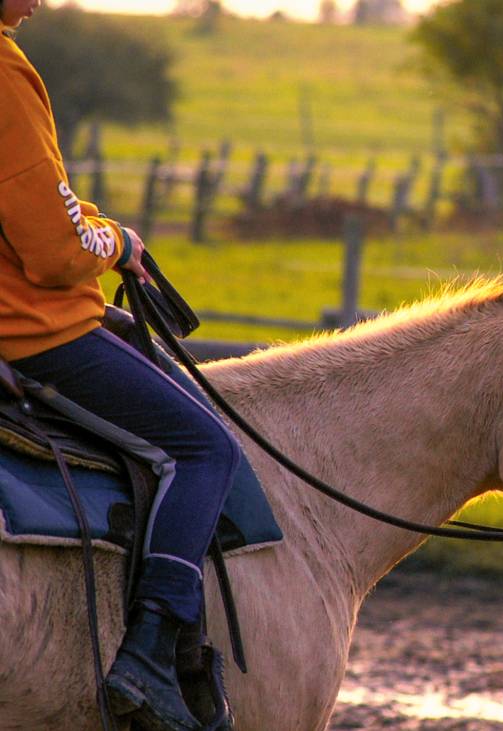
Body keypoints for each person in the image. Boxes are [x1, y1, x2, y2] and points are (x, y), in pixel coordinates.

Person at [1, 2, 240, 729]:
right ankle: (147, 655)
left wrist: (95, 228)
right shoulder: (5, 71)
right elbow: (52, 248)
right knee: (204, 448)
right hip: (30, 330)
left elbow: (43, 204)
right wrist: (116, 242)